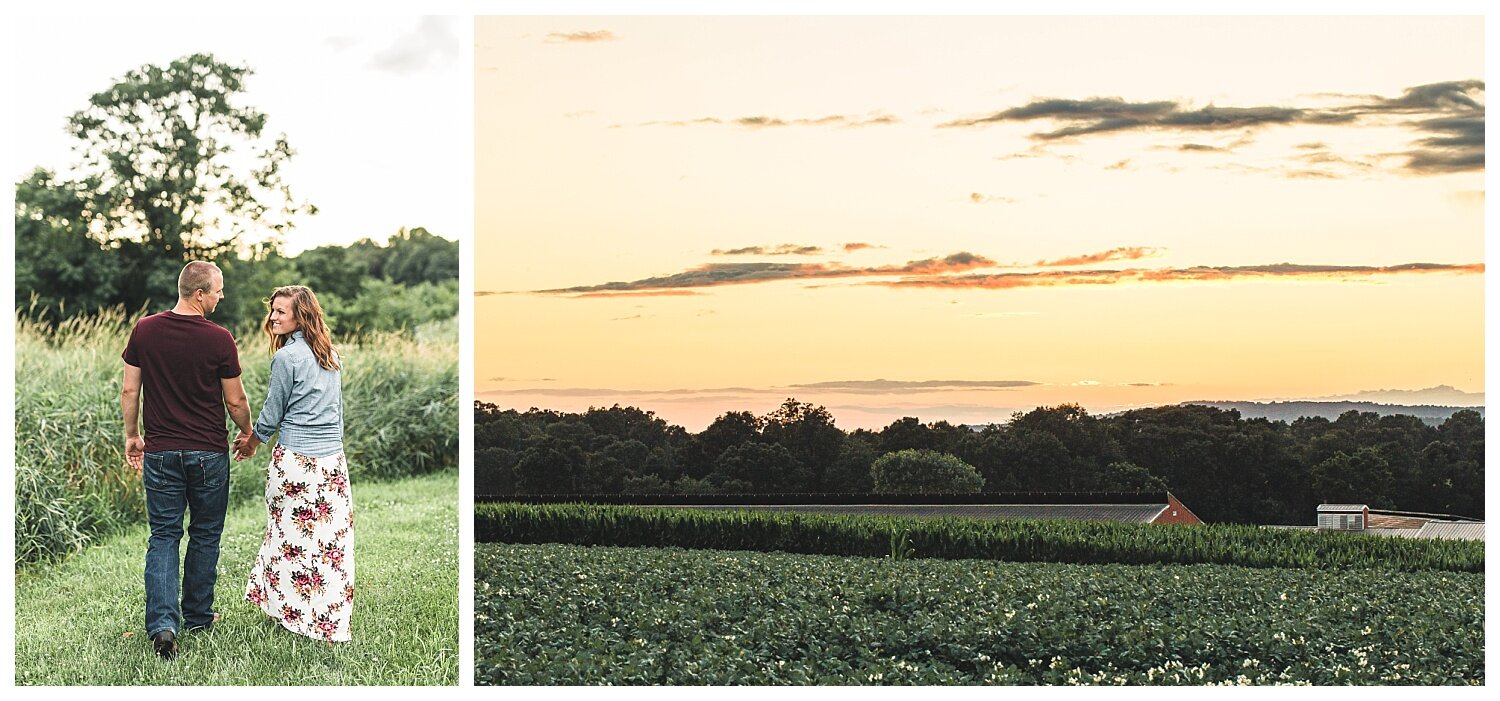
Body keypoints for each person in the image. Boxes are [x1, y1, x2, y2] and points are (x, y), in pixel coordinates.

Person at [121, 260, 253, 660]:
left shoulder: (145, 329)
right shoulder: (220, 339)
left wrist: (132, 436)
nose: (221, 296)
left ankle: (163, 625)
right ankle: (197, 615)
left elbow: (130, 392)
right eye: (218, 290)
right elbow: (235, 399)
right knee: (205, 534)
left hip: (160, 452)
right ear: (200, 294)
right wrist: (247, 431)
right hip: (208, 454)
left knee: (163, 536)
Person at [235, 285, 354, 642]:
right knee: (330, 542)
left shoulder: (287, 358)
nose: (273, 317)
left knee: (289, 537)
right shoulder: (330, 354)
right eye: (272, 311)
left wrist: (251, 442)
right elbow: (338, 414)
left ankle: (292, 615)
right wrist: (334, 449)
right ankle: (326, 619)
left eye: (281, 312)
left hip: (297, 462)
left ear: (300, 316)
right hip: (332, 463)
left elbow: (271, 415)